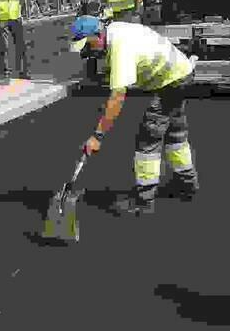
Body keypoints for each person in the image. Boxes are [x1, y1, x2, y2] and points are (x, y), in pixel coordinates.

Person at [70, 15, 198, 216]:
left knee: (148, 138)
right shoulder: (116, 30)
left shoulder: (120, 47)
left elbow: (117, 98)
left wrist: (98, 136)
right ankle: (187, 184)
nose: (88, 52)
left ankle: (144, 201)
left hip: (171, 81)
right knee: (175, 134)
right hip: (182, 73)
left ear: (97, 35)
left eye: (88, 45)